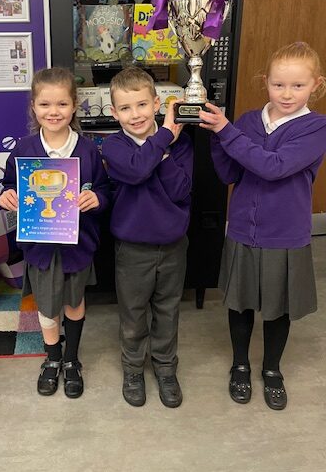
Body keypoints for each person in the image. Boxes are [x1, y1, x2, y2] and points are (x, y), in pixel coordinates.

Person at [199, 41, 326, 410]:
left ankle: (272, 369)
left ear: (316, 85)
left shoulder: (316, 128)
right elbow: (229, 172)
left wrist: (226, 131)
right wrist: (215, 135)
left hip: (285, 235)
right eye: (278, 85)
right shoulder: (249, 122)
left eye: (298, 86)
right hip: (242, 229)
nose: (287, 94)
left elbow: (274, 167)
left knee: (277, 307)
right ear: (265, 81)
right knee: (240, 305)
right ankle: (240, 364)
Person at [0, 67, 109, 398]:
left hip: (78, 245)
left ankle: (72, 359)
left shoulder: (88, 150)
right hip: (40, 245)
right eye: (45, 105)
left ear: (74, 105)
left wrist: (97, 198)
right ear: (34, 106)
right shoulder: (23, 149)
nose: (54, 112)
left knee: (74, 302)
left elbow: (106, 190)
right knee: (47, 305)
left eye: (62, 104)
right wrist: (4, 194)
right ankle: (52, 358)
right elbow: (7, 184)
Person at [101, 67, 193, 408]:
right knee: (133, 314)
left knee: (168, 311)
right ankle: (133, 369)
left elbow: (181, 190)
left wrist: (166, 147)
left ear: (157, 103)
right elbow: (138, 169)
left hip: (172, 247)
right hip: (132, 250)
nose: (135, 114)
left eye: (142, 105)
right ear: (114, 113)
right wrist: (163, 139)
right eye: (125, 108)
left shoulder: (180, 144)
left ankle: (166, 369)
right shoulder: (113, 145)